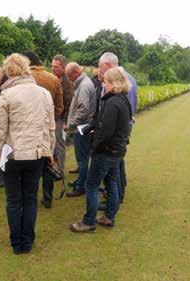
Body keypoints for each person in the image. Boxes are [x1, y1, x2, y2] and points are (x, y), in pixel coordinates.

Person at [0, 53, 56, 255]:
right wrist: (50, 152)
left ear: (9, 72)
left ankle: (16, 243)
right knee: (29, 198)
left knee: (13, 200)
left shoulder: (7, 95)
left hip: (12, 156)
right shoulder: (44, 93)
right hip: (35, 155)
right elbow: (50, 127)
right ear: (26, 69)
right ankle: (27, 241)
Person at [70, 67, 132, 232]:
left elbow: (105, 131)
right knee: (111, 182)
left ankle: (89, 221)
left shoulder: (113, 102)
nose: (103, 85)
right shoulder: (122, 99)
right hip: (117, 150)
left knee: (91, 185)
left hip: (106, 151)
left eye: (105, 82)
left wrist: (94, 146)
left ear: (113, 83)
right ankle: (109, 216)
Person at [22, 51, 64, 208]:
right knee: (48, 162)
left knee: (29, 164)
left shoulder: (23, 78)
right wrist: (50, 120)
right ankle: (47, 198)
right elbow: (60, 106)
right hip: (47, 127)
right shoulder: (53, 78)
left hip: (27, 128)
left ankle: (29, 197)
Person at [96, 52, 137, 206]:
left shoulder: (124, 81)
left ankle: (117, 197)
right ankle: (116, 193)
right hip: (119, 129)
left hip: (118, 131)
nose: (99, 69)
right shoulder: (123, 78)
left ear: (109, 65)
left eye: (101, 66)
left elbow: (126, 111)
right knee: (117, 163)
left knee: (116, 163)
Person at [65, 62, 96, 197]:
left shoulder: (83, 86)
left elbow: (83, 110)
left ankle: (81, 187)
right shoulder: (84, 82)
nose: (68, 78)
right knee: (82, 158)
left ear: (75, 73)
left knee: (82, 159)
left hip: (82, 128)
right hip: (83, 127)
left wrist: (71, 124)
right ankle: (81, 181)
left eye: (69, 75)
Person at [51, 54, 74, 176]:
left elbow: (70, 104)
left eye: (56, 67)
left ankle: (59, 170)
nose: (53, 69)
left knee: (60, 144)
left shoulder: (67, 82)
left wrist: (65, 122)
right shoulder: (52, 78)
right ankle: (52, 167)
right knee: (52, 143)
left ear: (63, 67)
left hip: (61, 119)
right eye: (52, 66)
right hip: (52, 117)